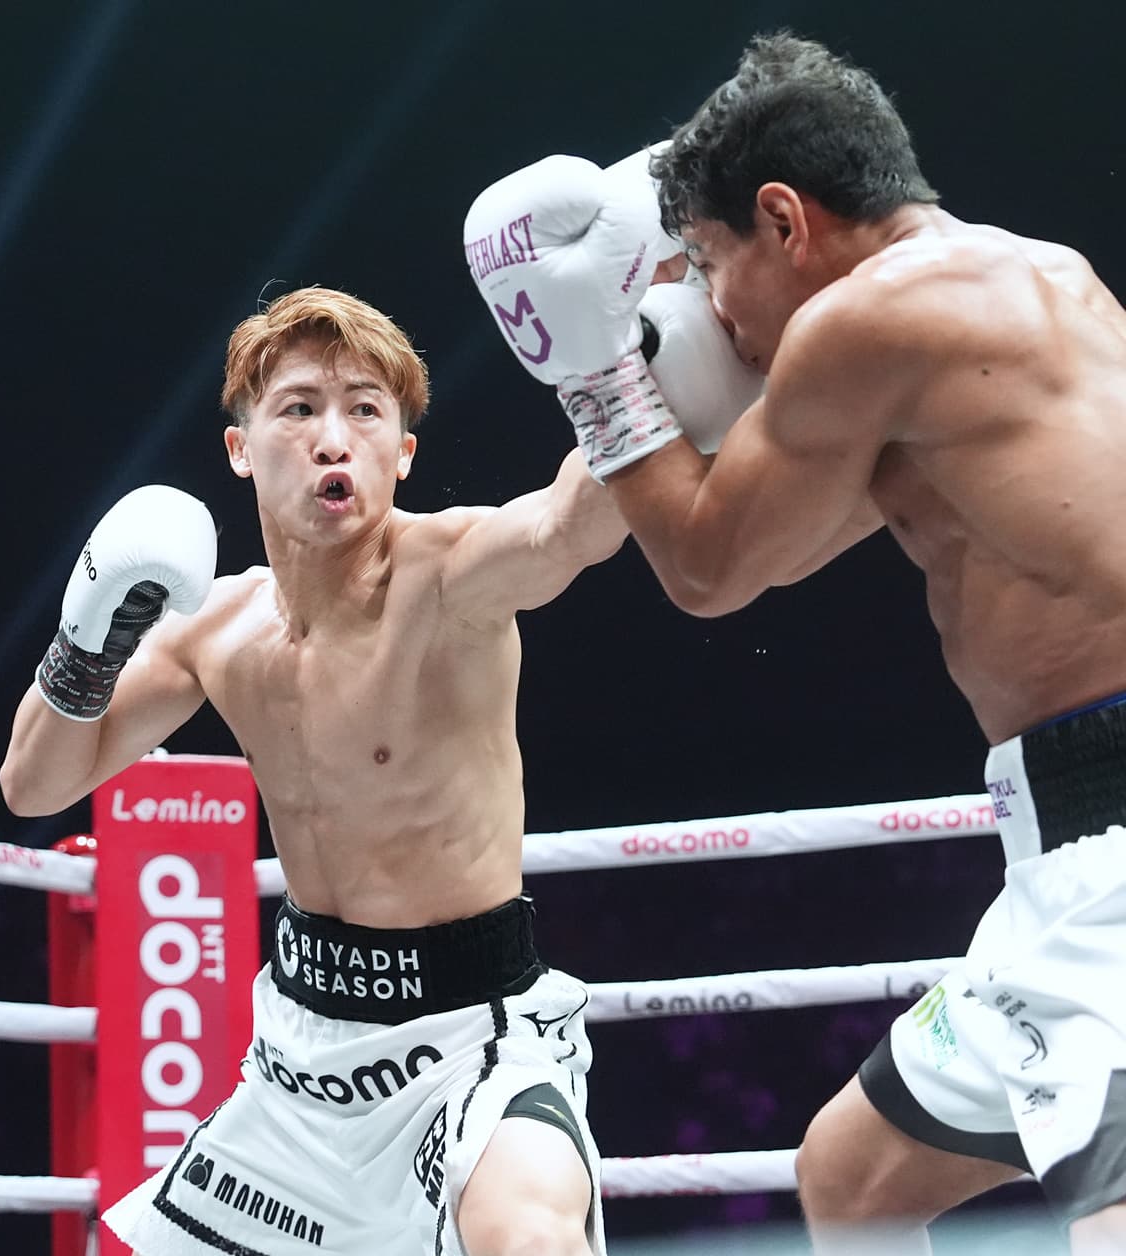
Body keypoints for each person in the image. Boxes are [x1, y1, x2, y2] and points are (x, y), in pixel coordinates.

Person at [462, 32, 1126, 1256]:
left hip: (1113, 853)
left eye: (710, 262)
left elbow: (708, 568)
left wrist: (598, 371)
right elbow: (775, 546)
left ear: (785, 219)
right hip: (1066, 839)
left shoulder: (866, 321)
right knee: (855, 1175)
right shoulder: (1029, 282)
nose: (714, 307)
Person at [0, 286, 627, 1256]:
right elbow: (33, 784)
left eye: (365, 410)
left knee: (530, 1233)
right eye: (299, 407)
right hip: (299, 1056)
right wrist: (90, 635)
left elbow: (568, 528)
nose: (334, 437)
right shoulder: (219, 629)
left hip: (472, 1040)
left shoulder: (449, 575)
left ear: (402, 452)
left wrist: (623, 360)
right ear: (241, 447)